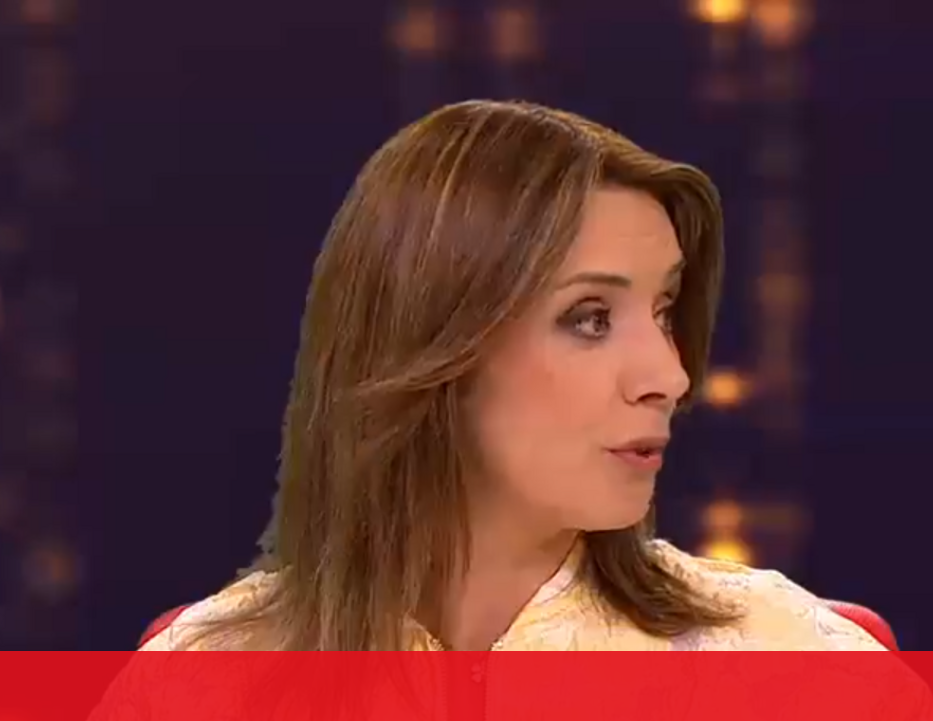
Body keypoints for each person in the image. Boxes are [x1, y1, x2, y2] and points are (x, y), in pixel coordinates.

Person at [143, 99, 887, 652]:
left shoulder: (797, 664)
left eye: (663, 312)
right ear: (433, 342)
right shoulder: (200, 677)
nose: (671, 376)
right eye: (590, 318)